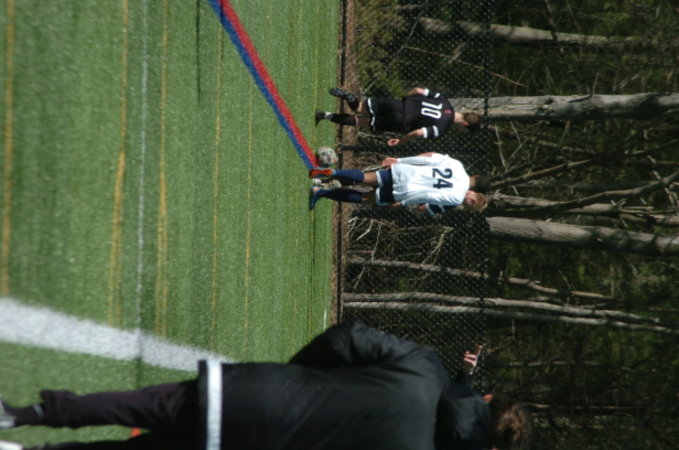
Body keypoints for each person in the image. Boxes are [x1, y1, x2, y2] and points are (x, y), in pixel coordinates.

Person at [0, 321, 529, 450]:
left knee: (133, 407)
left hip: (250, 395)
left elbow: (346, 336)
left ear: (486, 399)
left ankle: (22, 416)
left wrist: (296, 376)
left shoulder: (429, 368)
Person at [308, 152, 491, 214]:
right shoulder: (456, 198)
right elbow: (428, 195)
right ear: (473, 199)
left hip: (405, 172)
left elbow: (428, 158)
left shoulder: (457, 165)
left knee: (365, 177)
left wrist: (400, 160)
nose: (466, 207)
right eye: (469, 208)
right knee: (365, 199)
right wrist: (404, 202)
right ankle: (320, 192)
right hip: (406, 191)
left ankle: (334, 173)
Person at [315, 87, 481, 146]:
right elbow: (418, 133)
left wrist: (406, 100)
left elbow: (418, 90)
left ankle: (349, 97)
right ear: (465, 125)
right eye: (464, 131)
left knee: (359, 107)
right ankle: (324, 115)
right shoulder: (442, 128)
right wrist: (401, 141)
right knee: (360, 121)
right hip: (400, 122)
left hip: (399, 105)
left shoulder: (444, 101)